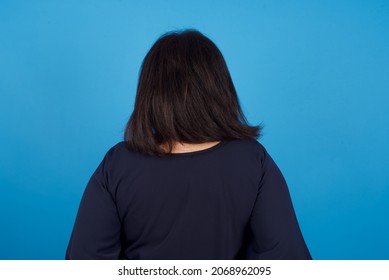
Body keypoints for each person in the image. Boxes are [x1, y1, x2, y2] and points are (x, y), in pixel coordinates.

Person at [65, 29, 312, 260]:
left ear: (150, 93)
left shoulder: (118, 164)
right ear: (219, 88)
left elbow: (84, 263)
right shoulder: (252, 160)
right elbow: (288, 261)